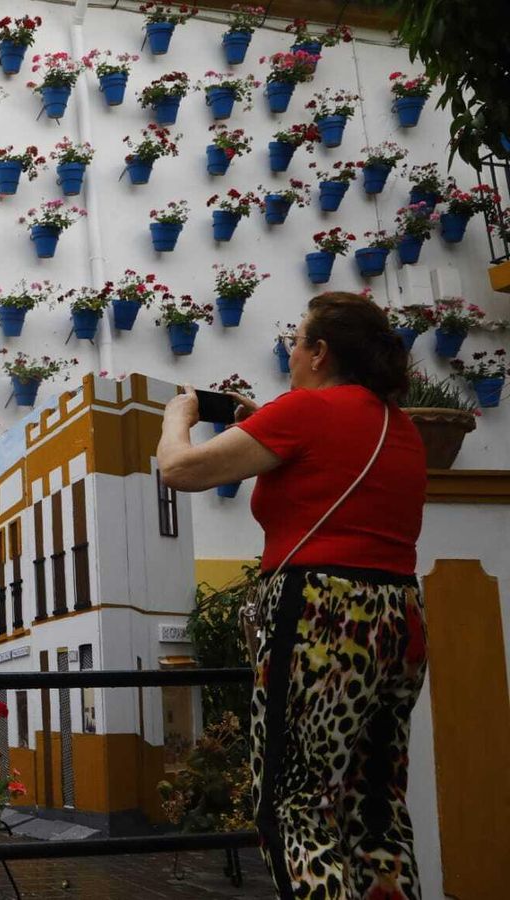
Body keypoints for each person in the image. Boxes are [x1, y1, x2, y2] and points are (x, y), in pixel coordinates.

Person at [155, 291, 428, 900]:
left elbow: (180, 470)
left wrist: (180, 413)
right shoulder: (401, 426)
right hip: (400, 616)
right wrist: (265, 422)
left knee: (295, 802)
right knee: (376, 806)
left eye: (295, 340)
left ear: (320, 353)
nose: (290, 351)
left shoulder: (304, 411)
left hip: (321, 614)